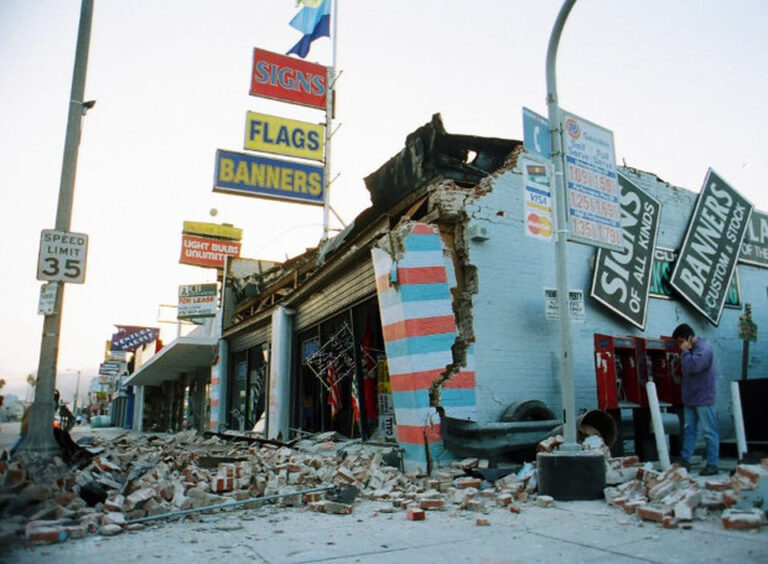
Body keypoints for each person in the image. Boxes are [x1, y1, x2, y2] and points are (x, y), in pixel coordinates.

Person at [672, 323, 720, 476]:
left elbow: (694, 367)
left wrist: (685, 352)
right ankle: (685, 459)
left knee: (709, 431)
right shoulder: (690, 350)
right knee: (689, 430)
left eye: (681, 341)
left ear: (689, 338)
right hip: (691, 398)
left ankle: (712, 464)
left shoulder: (704, 349)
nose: (680, 345)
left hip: (703, 398)